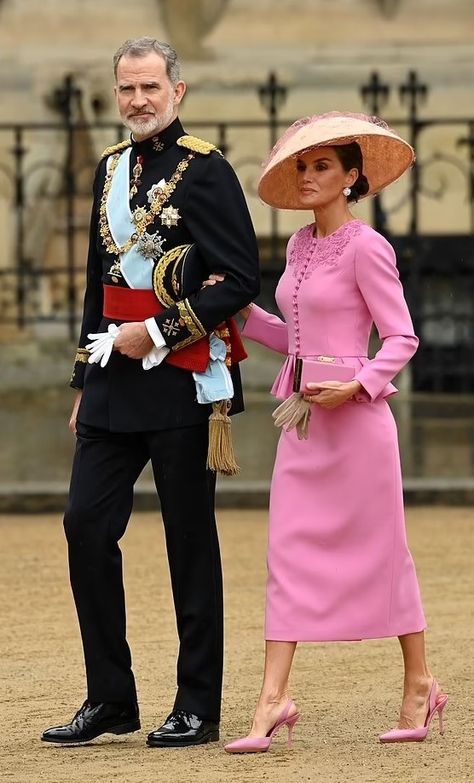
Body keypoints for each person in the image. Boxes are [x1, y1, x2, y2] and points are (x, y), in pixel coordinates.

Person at [41, 37, 259, 749]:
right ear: (117, 94)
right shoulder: (108, 168)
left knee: (188, 543)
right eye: (127, 89)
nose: (138, 100)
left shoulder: (208, 170)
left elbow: (237, 277)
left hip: (182, 381)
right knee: (84, 526)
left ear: (178, 91)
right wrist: (83, 378)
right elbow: (94, 287)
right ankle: (111, 698)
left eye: (151, 88)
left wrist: (160, 331)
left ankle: (197, 704)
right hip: (111, 383)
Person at [221, 112, 448, 753]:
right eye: (304, 166)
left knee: (385, 551)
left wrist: (358, 385)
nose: (310, 175)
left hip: (358, 425)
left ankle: (419, 682)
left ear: (352, 178)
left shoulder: (369, 246)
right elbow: (287, 338)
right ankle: (271, 701)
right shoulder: (296, 246)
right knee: (286, 554)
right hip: (302, 423)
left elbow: (401, 335)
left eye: (324, 166)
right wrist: (236, 309)